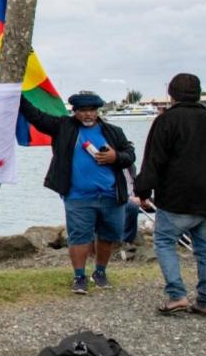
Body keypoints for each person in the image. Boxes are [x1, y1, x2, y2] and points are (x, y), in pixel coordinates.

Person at [133, 73, 206, 317]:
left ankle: (177, 294)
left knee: (165, 242)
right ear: (199, 94)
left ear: (171, 94)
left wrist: (143, 191)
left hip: (176, 196)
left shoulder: (166, 121)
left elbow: (154, 160)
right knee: (205, 249)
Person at [20, 91, 136, 294]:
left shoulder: (113, 131)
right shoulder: (63, 127)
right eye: (83, 111)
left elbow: (130, 154)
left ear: (98, 111)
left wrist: (115, 157)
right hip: (77, 196)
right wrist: (18, 96)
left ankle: (100, 272)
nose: (88, 115)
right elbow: (36, 117)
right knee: (79, 237)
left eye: (92, 110)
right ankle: (79, 277)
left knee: (107, 237)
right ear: (75, 111)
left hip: (111, 195)